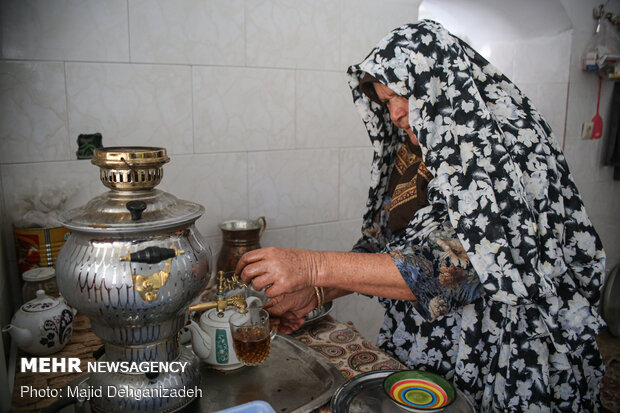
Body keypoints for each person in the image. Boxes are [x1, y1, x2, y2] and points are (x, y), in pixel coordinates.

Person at [235, 20, 606, 412]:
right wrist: (320, 291)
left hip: (500, 356)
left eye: (403, 96)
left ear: (438, 81)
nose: (395, 114)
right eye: (386, 101)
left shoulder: (504, 147)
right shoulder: (417, 152)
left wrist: (313, 268)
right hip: (434, 354)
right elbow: (386, 246)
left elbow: (454, 268)